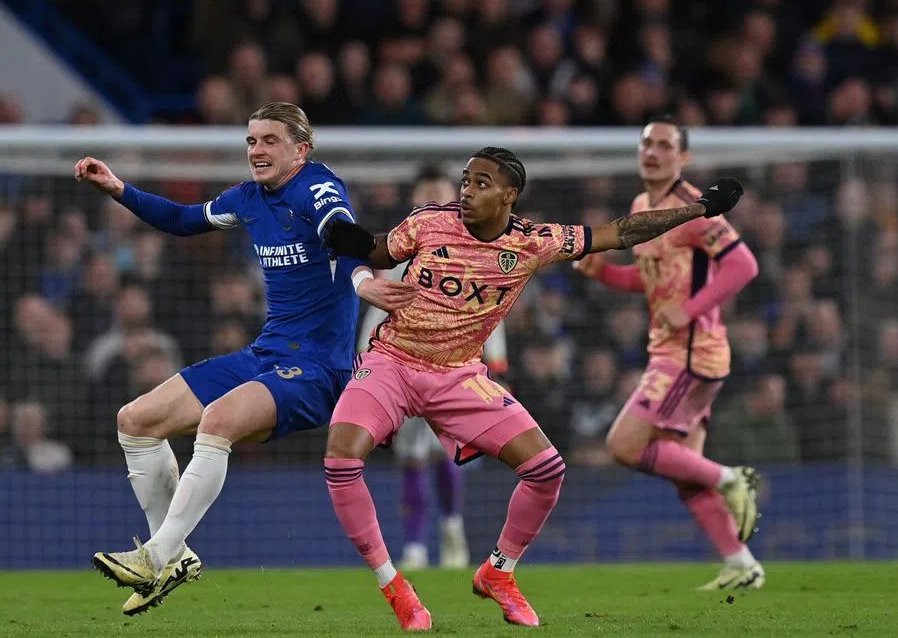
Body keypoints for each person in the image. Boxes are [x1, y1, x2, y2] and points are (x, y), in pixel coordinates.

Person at [322, 146, 744, 629]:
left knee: (547, 470)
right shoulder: (427, 222)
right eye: (465, 180)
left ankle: (499, 572)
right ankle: (396, 587)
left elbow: (621, 233)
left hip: (459, 374)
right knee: (340, 456)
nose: (467, 190)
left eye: (482, 183)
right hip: (392, 360)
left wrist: (700, 209)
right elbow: (373, 250)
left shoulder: (534, 241)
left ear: (509, 195)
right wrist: (342, 244)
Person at [76, 103, 415, 615]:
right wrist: (119, 189)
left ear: (301, 148)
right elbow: (182, 220)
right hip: (266, 354)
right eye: (251, 140)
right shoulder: (247, 199)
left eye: (269, 140)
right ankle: (175, 555)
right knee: (136, 421)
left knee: (217, 422)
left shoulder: (318, 187)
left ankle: (156, 556)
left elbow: (344, 236)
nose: (256, 150)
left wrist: (364, 279)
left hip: (319, 368)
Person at [575, 118, 764, 591]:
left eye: (665, 145)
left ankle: (732, 476)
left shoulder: (694, 207)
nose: (653, 152)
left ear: (684, 157)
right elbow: (649, 281)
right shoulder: (642, 206)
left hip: (691, 352)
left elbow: (744, 265)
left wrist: (691, 311)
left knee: (624, 445)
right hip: (675, 348)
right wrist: (603, 273)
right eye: (646, 143)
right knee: (683, 473)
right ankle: (741, 564)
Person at [356, 165, 505, 571]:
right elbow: (378, 309)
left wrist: (496, 360)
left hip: (455, 369)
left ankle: (452, 531)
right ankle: (417, 546)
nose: (432, 205)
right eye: (425, 198)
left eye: (440, 196)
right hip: (400, 368)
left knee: (447, 452)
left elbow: (490, 309)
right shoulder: (400, 252)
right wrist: (363, 363)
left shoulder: (476, 249)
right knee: (411, 458)